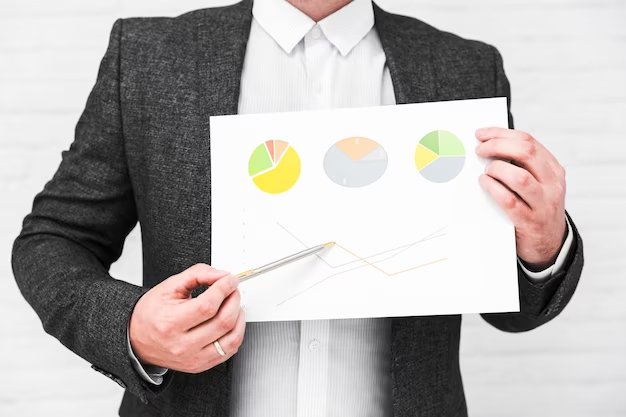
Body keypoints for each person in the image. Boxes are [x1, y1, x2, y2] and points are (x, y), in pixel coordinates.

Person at [11, 0, 584, 416]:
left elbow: (510, 308)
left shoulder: (464, 68)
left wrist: (541, 244)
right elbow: (55, 237)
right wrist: (132, 326)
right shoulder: (147, 57)